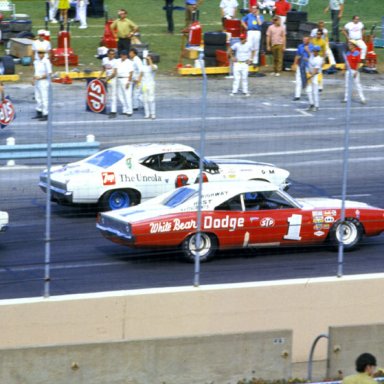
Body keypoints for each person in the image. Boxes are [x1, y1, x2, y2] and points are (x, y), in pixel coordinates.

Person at [343, 40, 366, 104]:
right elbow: (346, 62)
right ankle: (346, 98)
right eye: (349, 44)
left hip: (354, 70)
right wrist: (344, 69)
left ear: (353, 45)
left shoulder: (357, 53)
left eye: (350, 44)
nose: (349, 45)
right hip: (348, 71)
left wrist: (356, 71)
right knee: (347, 85)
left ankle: (362, 98)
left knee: (357, 85)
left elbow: (358, 62)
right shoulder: (348, 53)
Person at [32, 50, 52, 121]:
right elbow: (36, 72)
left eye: (41, 53)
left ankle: (45, 114)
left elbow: (49, 73)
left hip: (43, 82)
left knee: (44, 98)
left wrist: (40, 77)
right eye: (39, 53)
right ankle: (39, 112)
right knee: (38, 97)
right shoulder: (37, 62)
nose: (40, 54)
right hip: (37, 81)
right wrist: (33, 79)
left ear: (44, 54)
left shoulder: (46, 61)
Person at [292, 36, 314, 100]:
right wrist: (294, 64)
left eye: (306, 39)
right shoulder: (300, 46)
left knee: (309, 81)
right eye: (303, 39)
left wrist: (308, 50)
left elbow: (312, 56)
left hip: (308, 65)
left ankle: (310, 95)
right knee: (298, 80)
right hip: (300, 64)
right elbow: (297, 55)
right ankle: (297, 95)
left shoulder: (312, 47)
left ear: (308, 40)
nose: (304, 41)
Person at [98, 48, 118, 118]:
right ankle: (111, 109)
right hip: (107, 79)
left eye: (113, 54)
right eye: (111, 54)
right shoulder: (104, 60)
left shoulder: (115, 61)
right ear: (108, 54)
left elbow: (114, 73)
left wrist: (107, 79)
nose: (112, 55)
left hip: (113, 79)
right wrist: (99, 77)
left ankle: (113, 111)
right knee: (109, 95)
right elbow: (103, 68)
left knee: (113, 95)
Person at [115, 50, 134, 117]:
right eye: (122, 54)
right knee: (120, 96)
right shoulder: (117, 61)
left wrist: (129, 82)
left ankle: (129, 111)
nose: (123, 56)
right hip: (119, 79)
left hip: (126, 79)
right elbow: (115, 70)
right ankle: (125, 108)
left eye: (124, 55)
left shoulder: (129, 62)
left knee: (127, 96)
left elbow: (131, 73)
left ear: (126, 55)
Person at [305, 45, 323, 112]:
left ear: (317, 51)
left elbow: (315, 70)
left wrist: (309, 77)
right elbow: (310, 56)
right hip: (311, 75)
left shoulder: (319, 60)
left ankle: (316, 106)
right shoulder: (312, 55)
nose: (313, 52)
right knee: (308, 90)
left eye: (314, 51)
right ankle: (311, 104)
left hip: (316, 76)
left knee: (315, 91)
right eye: (313, 50)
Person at [141, 54, 158, 119]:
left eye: (148, 59)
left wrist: (150, 59)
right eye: (146, 60)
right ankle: (147, 114)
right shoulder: (143, 67)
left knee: (151, 99)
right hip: (144, 84)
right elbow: (141, 74)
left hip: (151, 84)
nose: (147, 61)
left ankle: (153, 113)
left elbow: (152, 68)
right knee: (145, 99)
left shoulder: (155, 66)